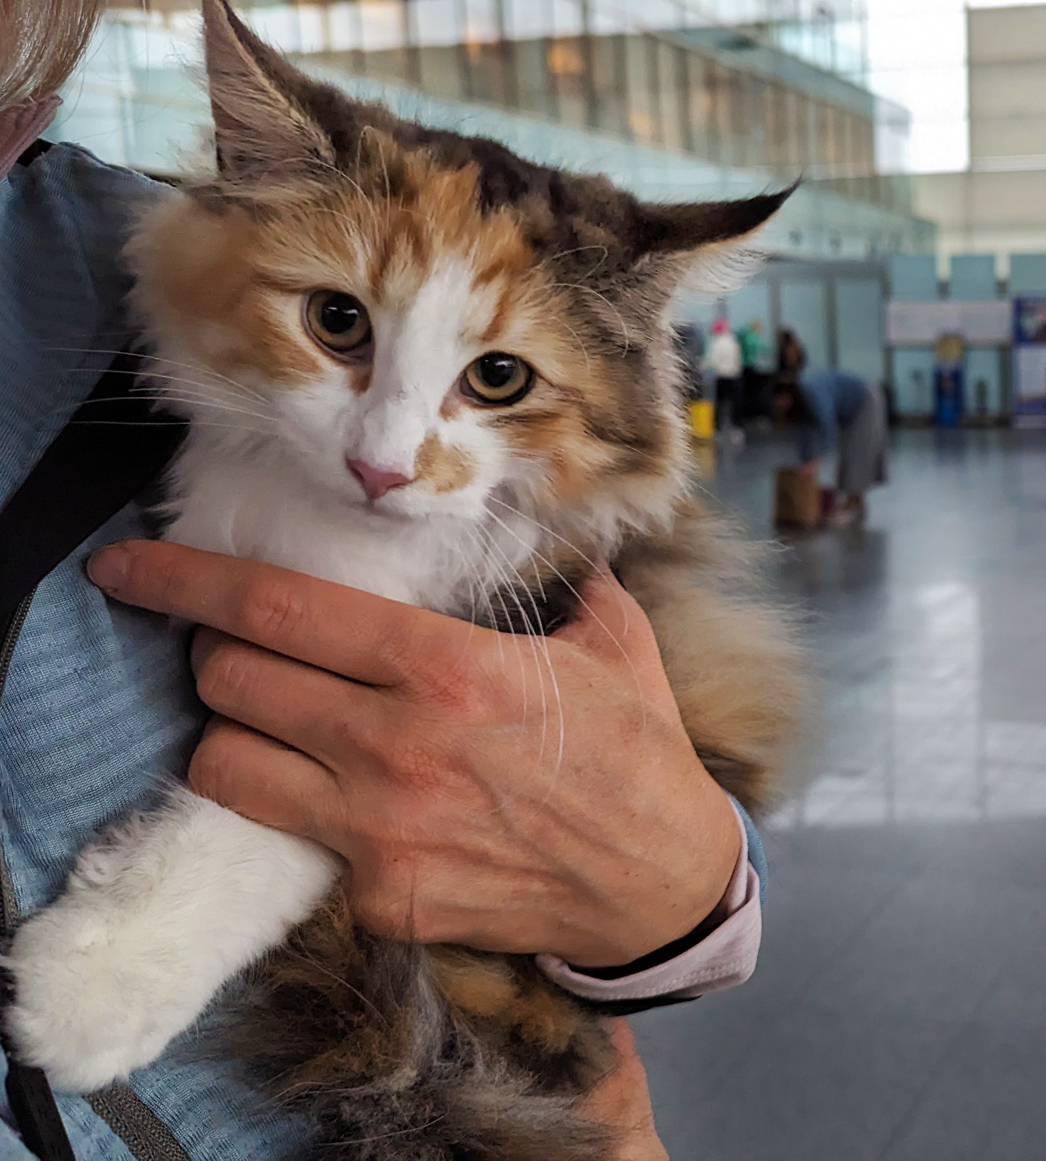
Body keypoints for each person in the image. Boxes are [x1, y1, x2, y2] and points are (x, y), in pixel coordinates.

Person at [0, 3, 763, 1157]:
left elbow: (685, 827)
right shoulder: (183, 278)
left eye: (494, 377)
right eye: (338, 323)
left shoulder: (86, 232)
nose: (387, 455)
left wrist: (697, 894)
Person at [774, 368, 887, 526]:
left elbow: (828, 430)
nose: (781, 405)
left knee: (856, 454)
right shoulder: (801, 402)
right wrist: (803, 461)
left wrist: (813, 462)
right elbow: (805, 433)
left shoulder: (813, 393)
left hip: (865, 400)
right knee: (849, 452)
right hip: (849, 408)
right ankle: (853, 503)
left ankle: (853, 506)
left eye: (783, 401)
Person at [705, 316, 743, 439]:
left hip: (721, 376)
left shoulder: (716, 343)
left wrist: (703, 365)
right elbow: (738, 359)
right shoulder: (733, 342)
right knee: (734, 403)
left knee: (720, 403)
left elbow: (712, 361)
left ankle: (717, 428)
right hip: (734, 375)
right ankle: (736, 428)